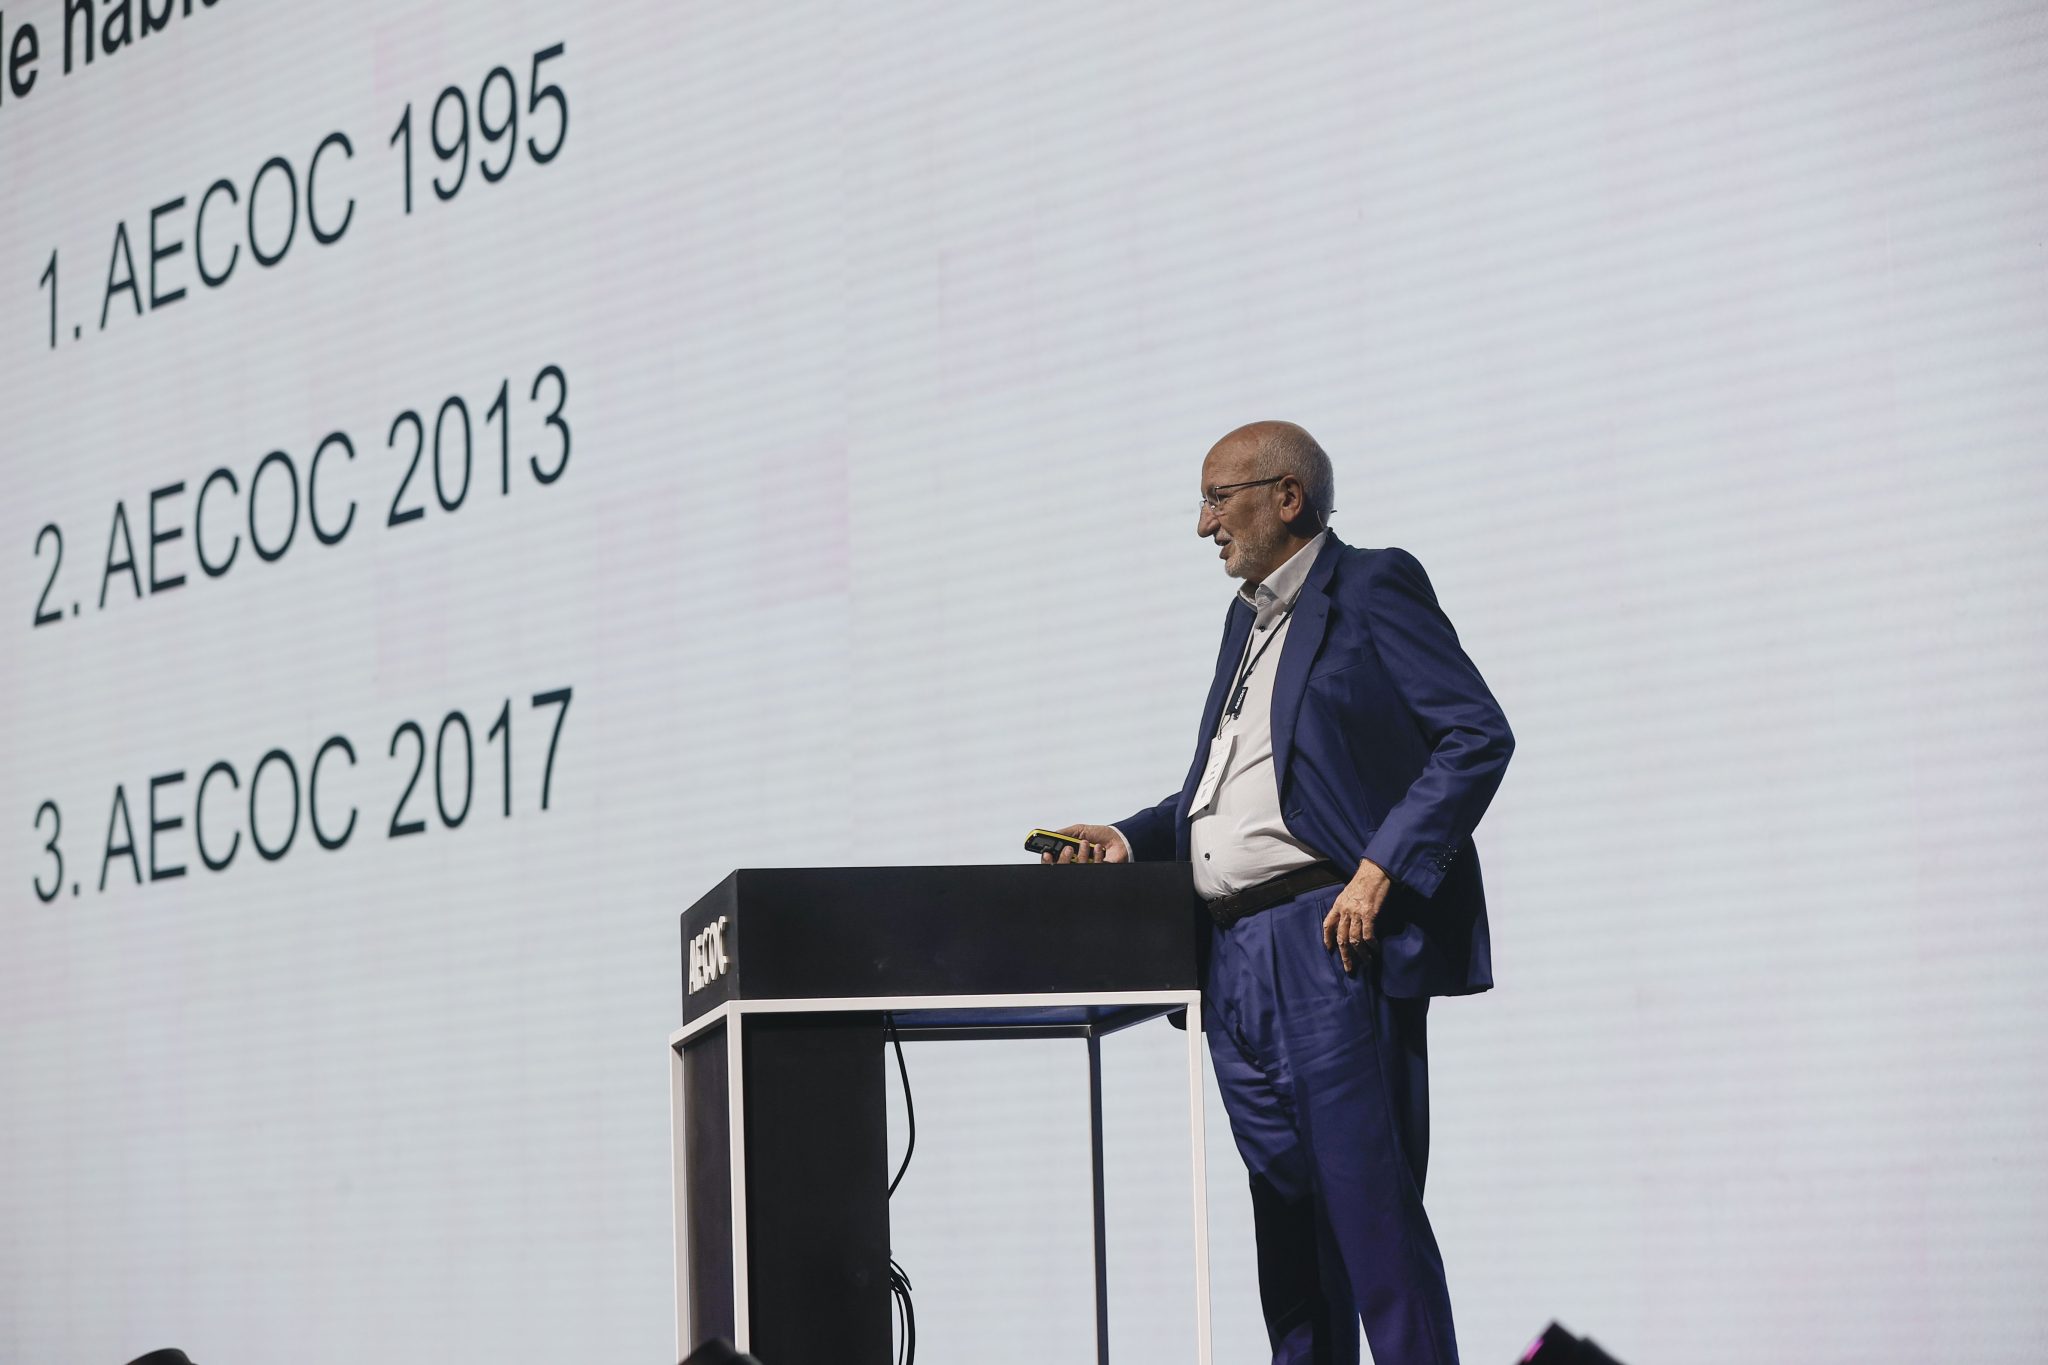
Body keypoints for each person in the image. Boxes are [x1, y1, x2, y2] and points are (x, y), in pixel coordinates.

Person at [1044, 421, 1513, 1365]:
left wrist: (1381, 867)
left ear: (1287, 496)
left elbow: (1475, 735)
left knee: (1372, 1219)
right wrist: (1129, 840)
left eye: (1218, 498)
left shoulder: (1371, 586)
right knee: (1289, 1235)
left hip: (1326, 940)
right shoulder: (1245, 623)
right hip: (1232, 959)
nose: (1204, 523)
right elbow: (1221, 793)